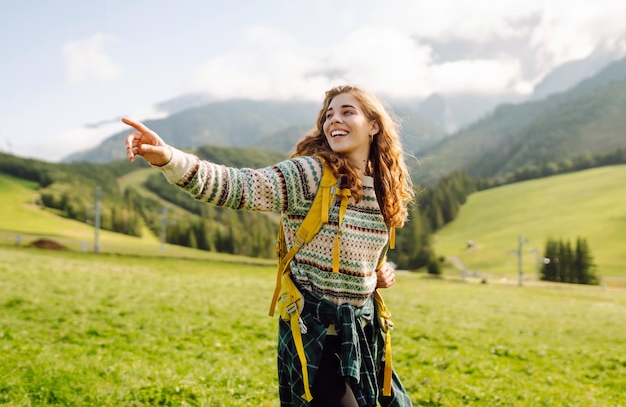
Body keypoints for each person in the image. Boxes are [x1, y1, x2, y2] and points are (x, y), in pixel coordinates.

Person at [123, 85, 414, 407]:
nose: (334, 120)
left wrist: (378, 274)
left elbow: (363, 256)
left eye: (347, 112)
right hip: (315, 333)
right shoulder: (311, 173)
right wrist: (170, 159)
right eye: (329, 114)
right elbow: (239, 187)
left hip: (363, 333)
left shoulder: (384, 187)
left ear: (374, 125)